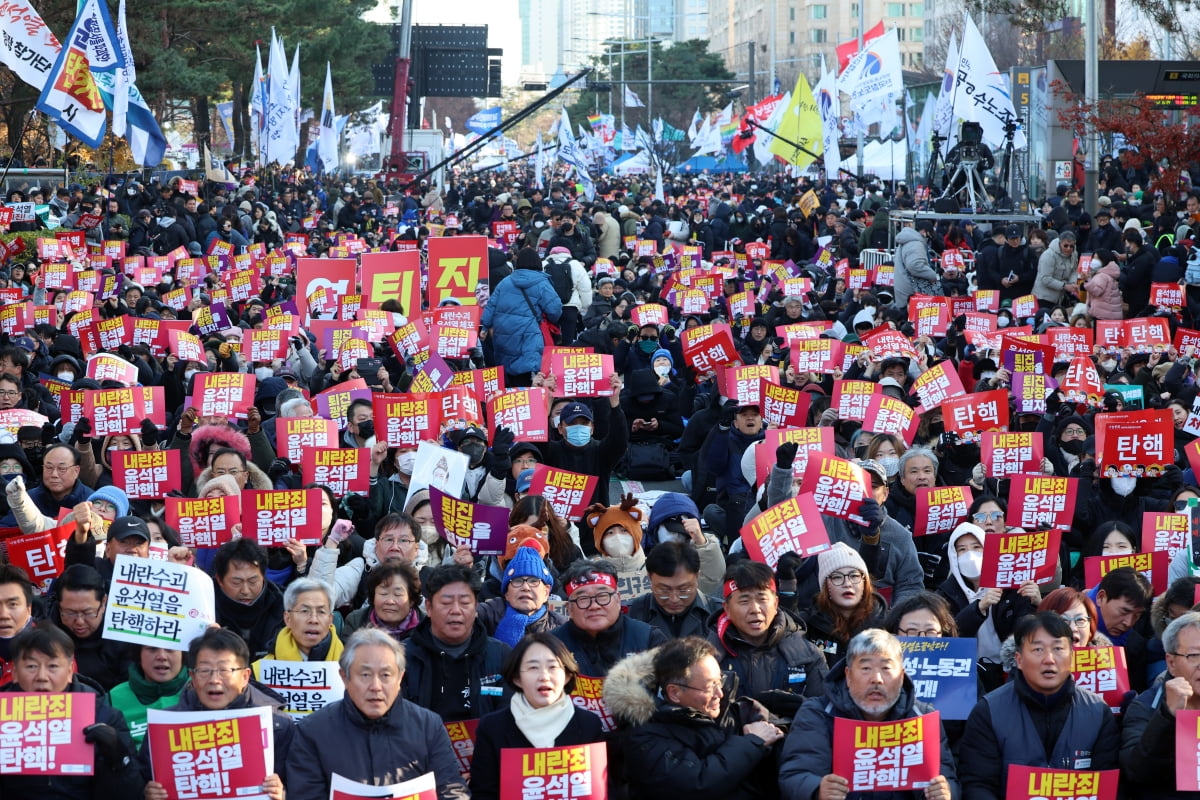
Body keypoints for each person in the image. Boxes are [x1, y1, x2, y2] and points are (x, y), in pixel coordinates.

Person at [285, 628, 470, 800]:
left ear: (400, 678)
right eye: (365, 675)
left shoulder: (428, 726)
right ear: (344, 677)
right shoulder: (312, 732)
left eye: (385, 675)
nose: (375, 687)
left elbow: (451, 790)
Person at [779, 629, 959, 800]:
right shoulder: (818, 713)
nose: (876, 679)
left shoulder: (922, 717)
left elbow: (946, 777)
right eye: (865, 668)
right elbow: (796, 774)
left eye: (886, 668)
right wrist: (817, 789)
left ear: (902, 676)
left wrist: (945, 792)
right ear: (848, 676)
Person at [958, 613, 1120, 799]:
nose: (1049, 659)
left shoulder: (1098, 712)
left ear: (1072, 657)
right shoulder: (989, 711)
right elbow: (978, 784)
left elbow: (1108, 783)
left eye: (1058, 648)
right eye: (1038, 650)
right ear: (1018, 659)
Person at [607, 636, 785, 800]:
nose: (720, 693)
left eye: (719, 680)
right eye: (709, 686)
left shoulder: (732, 709)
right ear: (674, 693)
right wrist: (752, 743)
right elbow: (697, 785)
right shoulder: (643, 736)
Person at [140, 628, 293, 800]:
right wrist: (147, 795)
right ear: (192, 676)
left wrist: (283, 795)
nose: (214, 680)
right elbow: (141, 779)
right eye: (204, 670)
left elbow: (303, 787)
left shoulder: (277, 725)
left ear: (245, 676)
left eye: (225, 670)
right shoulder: (164, 728)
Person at [0, 625, 145, 800]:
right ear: (15, 672)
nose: (42, 676)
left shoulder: (103, 716)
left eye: (53, 666)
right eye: (31, 666)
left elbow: (131, 794)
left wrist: (118, 759)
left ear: (70, 671)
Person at [469, 633, 604, 800]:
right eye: (533, 668)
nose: (544, 676)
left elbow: (601, 788)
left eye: (553, 667)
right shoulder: (492, 727)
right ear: (517, 678)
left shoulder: (588, 724)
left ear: (568, 675)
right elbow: (483, 793)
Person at [708, 560, 828, 722]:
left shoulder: (808, 654)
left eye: (762, 599)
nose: (755, 609)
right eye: (744, 601)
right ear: (727, 608)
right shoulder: (708, 658)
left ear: (776, 602)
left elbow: (824, 715)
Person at [402, 565, 512, 722]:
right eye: (446, 603)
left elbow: (509, 714)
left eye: (464, 602)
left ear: (475, 608)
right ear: (429, 607)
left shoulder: (500, 655)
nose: (455, 610)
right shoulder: (402, 657)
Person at [1121, 611, 1200, 799]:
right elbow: (1137, 772)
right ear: (1171, 662)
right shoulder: (1146, 706)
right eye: (1195, 655)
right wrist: (1167, 716)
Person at [551, 559, 668, 677]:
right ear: (569, 608)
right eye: (583, 599)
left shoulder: (649, 639)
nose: (594, 606)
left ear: (618, 600)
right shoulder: (552, 645)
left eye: (602, 596)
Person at [480, 247, 563, 385]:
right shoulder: (542, 283)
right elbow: (555, 309)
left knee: (509, 370)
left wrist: (485, 326)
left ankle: (512, 397)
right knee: (528, 369)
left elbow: (491, 305)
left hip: (503, 333)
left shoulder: (505, 282)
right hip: (528, 334)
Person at [802, 543, 889, 666]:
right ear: (825, 587)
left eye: (854, 576)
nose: (847, 583)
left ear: (865, 583)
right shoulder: (809, 624)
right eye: (837, 577)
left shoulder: (887, 623)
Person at [51, 563, 133, 691]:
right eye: (69, 612)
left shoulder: (124, 637)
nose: (79, 621)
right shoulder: (47, 634)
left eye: (88, 613)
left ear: (104, 602)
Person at [211, 538, 286, 660]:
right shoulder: (204, 604)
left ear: (263, 576)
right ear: (220, 580)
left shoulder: (284, 604)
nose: (245, 590)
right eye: (236, 582)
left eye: (253, 581)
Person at [476, 545, 567, 646]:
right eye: (517, 581)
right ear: (506, 593)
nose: (525, 587)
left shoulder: (561, 626)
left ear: (546, 592)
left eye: (533, 581)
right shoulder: (489, 613)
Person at [627, 541, 719, 640]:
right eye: (664, 590)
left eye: (683, 590)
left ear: (697, 577)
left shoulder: (717, 613)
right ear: (649, 578)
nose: (674, 599)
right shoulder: (633, 613)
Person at [107, 645, 189, 747]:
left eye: (170, 649)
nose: (162, 656)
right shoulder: (113, 698)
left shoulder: (202, 691)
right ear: (139, 655)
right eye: (152, 649)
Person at [253, 578, 343, 669]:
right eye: (304, 611)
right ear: (288, 619)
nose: (313, 620)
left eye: (321, 612)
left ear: (330, 620)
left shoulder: (349, 668)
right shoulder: (261, 671)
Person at [343, 562, 424, 641]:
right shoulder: (356, 621)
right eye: (383, 593)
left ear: (412, 600)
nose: (390, 601)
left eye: (397, 594)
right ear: (373, 596)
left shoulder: (427, 626)